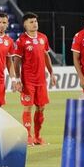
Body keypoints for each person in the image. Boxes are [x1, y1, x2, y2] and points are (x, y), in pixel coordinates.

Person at [12, 12, 56, 145]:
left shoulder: (43, 38)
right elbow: (17, 60)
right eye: (31, 22)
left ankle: (37, 137)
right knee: (28, 107)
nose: (34, 24)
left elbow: (46, 56)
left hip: (41, 80)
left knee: (41, 108)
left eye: (35, 21)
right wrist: (18, 79)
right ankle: (28, 137)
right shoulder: (21, 40)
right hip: (28, 80)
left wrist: (51, 72)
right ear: (25, 24)